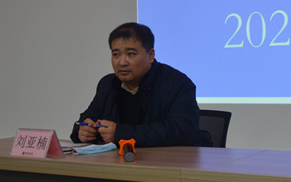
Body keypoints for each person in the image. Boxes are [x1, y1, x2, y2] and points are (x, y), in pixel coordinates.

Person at [70, 22, 211, 147]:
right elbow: (86, 119)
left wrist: (121, 134)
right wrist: (82, 131)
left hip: (168, 163)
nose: (122, 62)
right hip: (118, 163)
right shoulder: (108, 84)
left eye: (131, 54)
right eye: (116, 54)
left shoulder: (177, 83)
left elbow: (183, 131)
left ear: (151, 55)